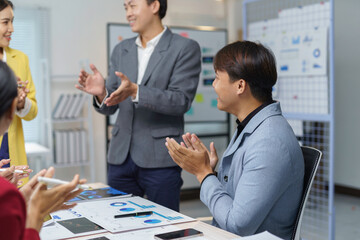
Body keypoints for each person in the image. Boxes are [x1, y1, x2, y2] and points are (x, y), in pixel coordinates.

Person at [165, 41, 304, 239]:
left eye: (216, 78)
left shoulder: (269, 142)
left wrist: (203, 174)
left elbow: (237, 224)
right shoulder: (252, 125)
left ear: (240, 86)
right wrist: (210, 171)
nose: (213, 85)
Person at [76, 0, 201, 211]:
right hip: (120, 157)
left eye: (133, 6)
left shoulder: (184, 48)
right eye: (125, 7)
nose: (128, 13)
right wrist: (101, 94)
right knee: (116, 223)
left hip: (160, 159)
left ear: (154, 6)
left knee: (165, 227)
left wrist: (137, 91)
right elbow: (111, 106)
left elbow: (181, 101)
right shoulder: (121, 50)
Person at [0, 60, 85, 240]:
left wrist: (19, 199)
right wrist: (36, 213)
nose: (11, 29)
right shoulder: (5, 193)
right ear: (11, 109)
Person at [0, 0, 38, 176]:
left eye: (12, 21)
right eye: (5, 22)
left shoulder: (20, 59)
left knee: (15, 201)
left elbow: (33, 112)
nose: (11, 29)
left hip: (12, 152)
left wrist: (21, 104)